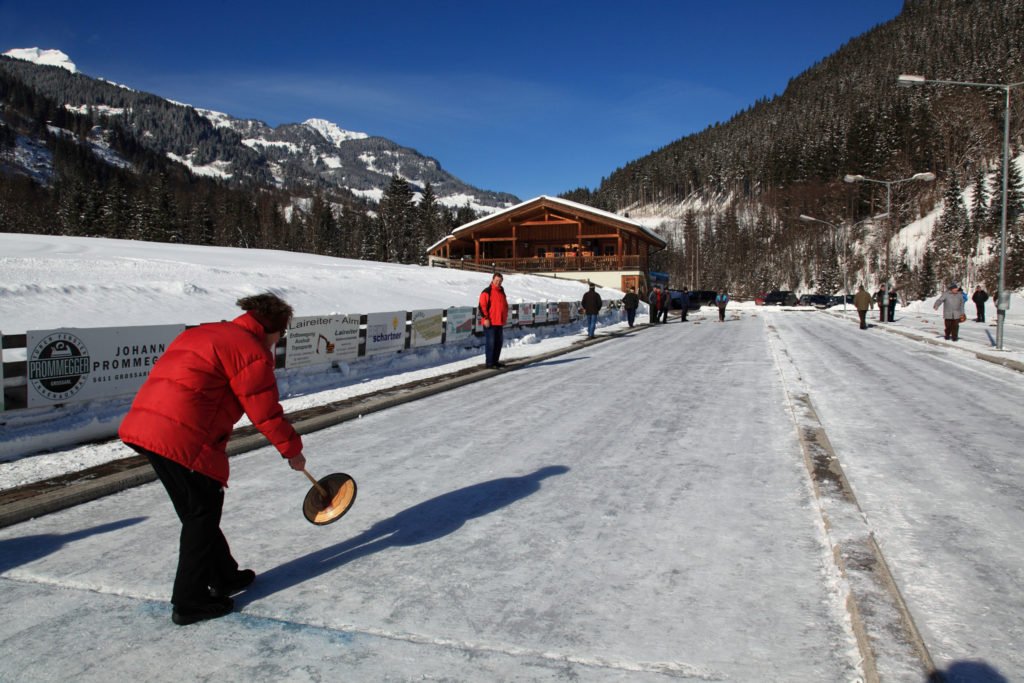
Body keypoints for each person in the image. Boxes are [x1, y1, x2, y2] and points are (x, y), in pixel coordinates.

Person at [118, 293, 306, 626]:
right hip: (180, 435)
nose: (280, 340)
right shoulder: (250, 351)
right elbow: (264, 412)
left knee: (197, 509)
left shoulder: (204, 332)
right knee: (201, 512)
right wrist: (292, 450)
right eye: (281, 334)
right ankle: (189, 601)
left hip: (145, 426)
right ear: (271, 329)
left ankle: (224, 576)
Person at [479, 272, 509, 368]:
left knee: (498, 343)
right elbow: (481, 307)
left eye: (500, 281)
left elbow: (504, 306)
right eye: (496, 280)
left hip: (499, 322)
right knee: (491, 343)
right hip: (490, 322)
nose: (498, 283)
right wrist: (486, 318)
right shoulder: (487, 291)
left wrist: (505, 317)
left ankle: (495, 362)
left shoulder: (501, 291)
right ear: (492, 280)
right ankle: (489, 363)